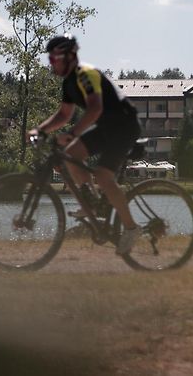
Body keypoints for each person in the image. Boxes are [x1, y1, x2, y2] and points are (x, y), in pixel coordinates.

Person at [27, 34, 141, 255]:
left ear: (69, 57)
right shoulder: (69, 83)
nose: (51, 64)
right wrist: (40, 130)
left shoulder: (85, 74)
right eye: (50, 60)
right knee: (72, 154)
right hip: (107, 128)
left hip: (124, 126)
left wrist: (72, 133)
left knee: (103, 176)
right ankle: (92, 203)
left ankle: (131, 228)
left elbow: (95, 108)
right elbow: (63, 114)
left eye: (54, 59)